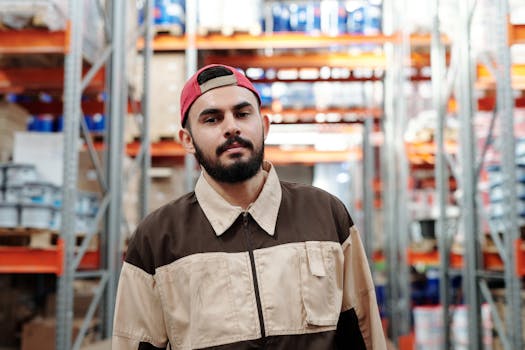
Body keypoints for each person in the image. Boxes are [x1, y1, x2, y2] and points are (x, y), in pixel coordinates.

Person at [112, 64, 387, 350]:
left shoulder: (326, 214)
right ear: (188, 140)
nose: (231, 127)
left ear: (264, 126)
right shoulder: (157, 238)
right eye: (211, 119)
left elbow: (364, 332)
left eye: (242, 114)